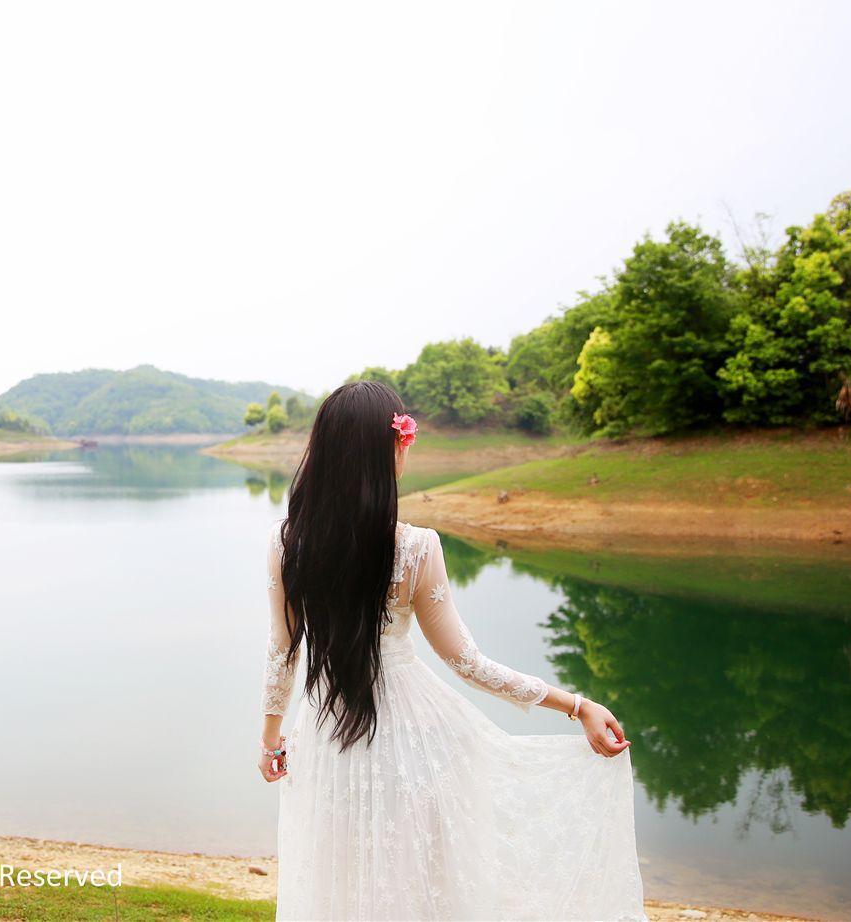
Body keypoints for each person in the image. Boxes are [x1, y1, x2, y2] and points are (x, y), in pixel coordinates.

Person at [258, 381, 646, 921]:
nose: (407, 448)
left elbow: (283, 650)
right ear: (388, 450)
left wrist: (271, 738)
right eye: (403, 439)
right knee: (415, 885)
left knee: (337, 879)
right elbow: (467, 663)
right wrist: (577, 705)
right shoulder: (416, 548)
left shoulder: (287, 544)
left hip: (323, 734)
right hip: (414, 737)